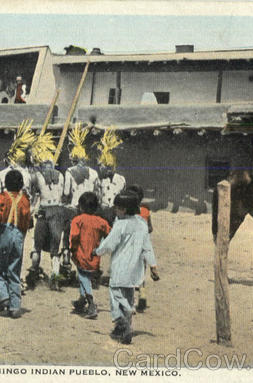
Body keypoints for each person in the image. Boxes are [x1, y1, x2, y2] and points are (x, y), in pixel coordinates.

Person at [95, 191, 160, 344]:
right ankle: (125, 329)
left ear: (123, 209)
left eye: (117, 208)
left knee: (115, 293)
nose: (115, 211)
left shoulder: (120, 224)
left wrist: (97, 251)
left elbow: (109, 244)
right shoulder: (142, 224)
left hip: (120, 266)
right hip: (136, 269)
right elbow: (147, 247)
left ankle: (122, 320)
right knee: (129, 296)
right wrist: (153, 265)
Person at [0, 170, 31, 318]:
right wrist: (20, 237)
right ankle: (15, 306)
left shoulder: (2, 198)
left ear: (5, 183)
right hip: (18, 235)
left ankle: (4, 297)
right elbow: (26, 222)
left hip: (3, 234)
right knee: (14, 271)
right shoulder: (25, 200)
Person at [25, 133, 66, 290]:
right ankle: (55, 276)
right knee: (55, 248)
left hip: (43, 211)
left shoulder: (37, 175)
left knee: (37, 245)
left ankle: (34, 271)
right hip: (57, 210)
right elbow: (63, 195)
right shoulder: (60, 175)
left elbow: (34, 195)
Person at [60, 124, 100, 283]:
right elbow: (98, 194)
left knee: (68, 236)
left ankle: (65, 261)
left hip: (75, 209)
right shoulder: (95, 173)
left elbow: (66, 193)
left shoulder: (69, 172)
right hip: (90, 210)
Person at [69, 192, 111, 319]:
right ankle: (81, 301)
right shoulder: (101, 221)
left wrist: (72, 249)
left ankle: (91, 304)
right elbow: (110, 235)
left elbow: (74, 236)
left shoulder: (78, 220)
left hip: (81, 254)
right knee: (85, 277)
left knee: (83, 277)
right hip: (94, 256)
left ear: (81, 207)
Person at [126, 184, 153, 313]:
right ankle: (142, 292)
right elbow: (150, 228)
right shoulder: (146, 210)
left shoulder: (126, 212)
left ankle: (131, 303)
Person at [96, 129, 125, 226]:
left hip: (116, 213)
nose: (100, 169)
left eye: (102, 166)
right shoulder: (100, 180)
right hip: (103, 213)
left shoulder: (121, 180)